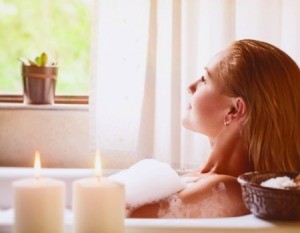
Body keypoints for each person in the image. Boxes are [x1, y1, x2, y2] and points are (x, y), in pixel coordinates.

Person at [128, 39, 300, 218]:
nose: (190, 87)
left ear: (234, 110)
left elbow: (125, 221)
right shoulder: (202, 179)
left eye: (204, 80)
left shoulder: (228, 191)